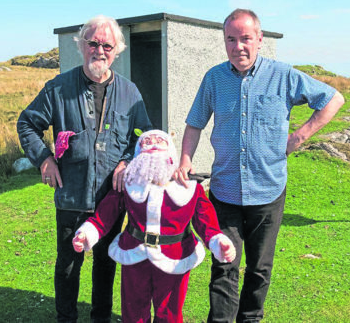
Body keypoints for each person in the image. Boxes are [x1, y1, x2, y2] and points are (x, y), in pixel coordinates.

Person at [173, 8, 345, 322]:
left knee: (259, 268)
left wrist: (298, 137)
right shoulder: (214, 78)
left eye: (246, 38)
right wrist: (185, 159)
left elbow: (333, 99)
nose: (239, 46)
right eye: (231, 39)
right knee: (224, 265)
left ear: (260, 39)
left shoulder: (284, 75)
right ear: (224, 42)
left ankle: (250, 318)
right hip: (224, 193)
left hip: (268, 193)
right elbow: (195, 123)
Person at [17, 15, 152, 323]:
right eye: (93, 43)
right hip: (71, 194)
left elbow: (145, 137)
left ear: (117, 50)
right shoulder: (58, 88)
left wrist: (127, 160)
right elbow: (27, 123)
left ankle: (100, 318)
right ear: (81, 46)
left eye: (107, 45)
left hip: (111, 197)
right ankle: (66, 318)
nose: (99, 50)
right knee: (68, 263)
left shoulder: (130, 93)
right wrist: (44, 158)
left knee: (105, 263)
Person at [72, 129, 236, 323]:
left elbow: (205, 221)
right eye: (146, 145)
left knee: (169, 314)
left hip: (176, 257)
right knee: (133, 313)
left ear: (171, 155)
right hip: (134, 255)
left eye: (159, 145)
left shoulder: (191, 188)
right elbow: (106, 214)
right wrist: (87, 232)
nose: (152, 149)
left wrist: (218, 241)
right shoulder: (128, 184)